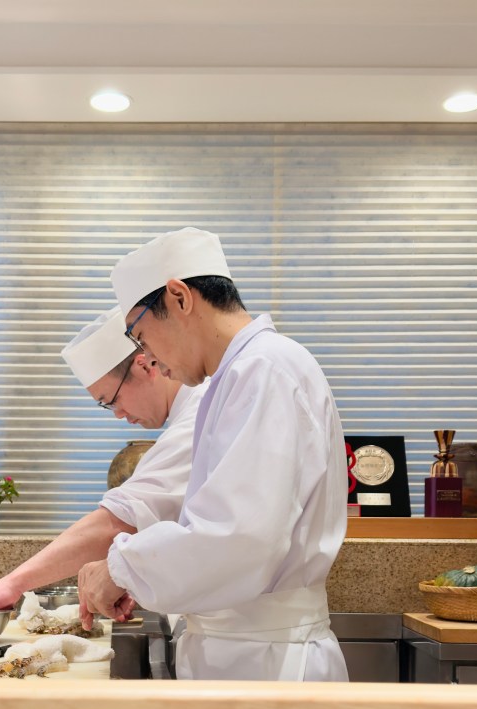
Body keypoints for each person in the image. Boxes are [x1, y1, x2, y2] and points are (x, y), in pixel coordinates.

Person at [78, 227, 349, 682]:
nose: (149, 358)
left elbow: (238, 538)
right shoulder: (237, 375)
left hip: (269, 665)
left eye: (142, 337)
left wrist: (121, 567)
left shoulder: (264, 370)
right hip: (246, 655)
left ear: (180, 298)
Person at [0, 306, 206, 610]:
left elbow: (116, 523)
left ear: (145, 366)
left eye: (111, 400)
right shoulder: (194, 410)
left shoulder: (196, 419)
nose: (118, 415)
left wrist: (11, 584)